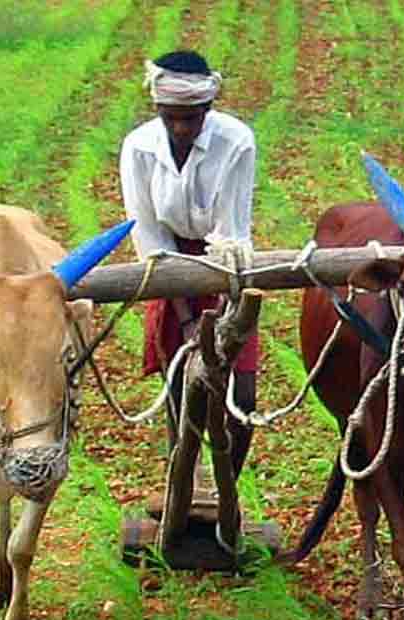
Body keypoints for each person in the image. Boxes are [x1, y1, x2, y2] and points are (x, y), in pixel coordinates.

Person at [119, 49, 259, 478]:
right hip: (168, 268)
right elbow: (149, 236)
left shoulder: (236, 141)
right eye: (172, 117)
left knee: (242, 396)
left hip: (226, 266)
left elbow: (230, 232)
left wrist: (223, 321)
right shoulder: (139, 148)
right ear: (159, 109)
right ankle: (183, 481)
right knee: (181, 384)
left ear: (208, 108)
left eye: (192, 118)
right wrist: (184, 319)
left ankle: (225, 489)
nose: (181, 128)